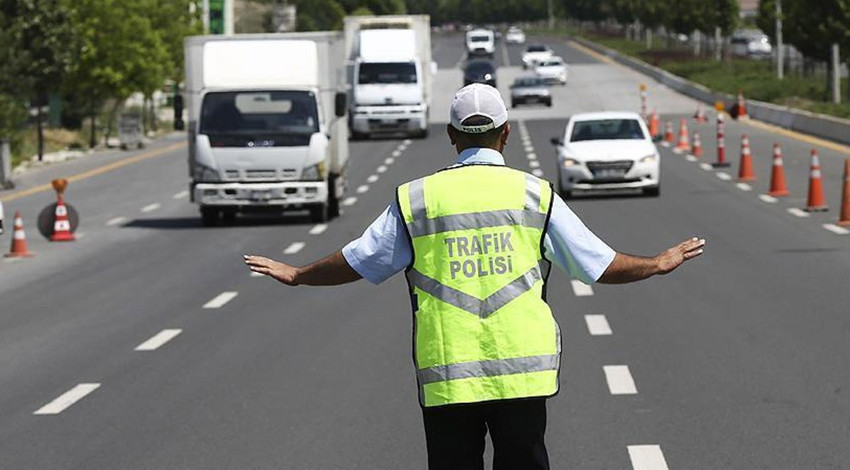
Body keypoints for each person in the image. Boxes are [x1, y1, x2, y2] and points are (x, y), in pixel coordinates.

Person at [244, 83, 705, 470]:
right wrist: (656, 263)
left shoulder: (418, 199)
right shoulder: (533, 194)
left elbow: (361, 260)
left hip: (449, 373)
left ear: (451, 135)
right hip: (523, 374)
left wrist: (299, 273)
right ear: (505, 133)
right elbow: (598, 264)